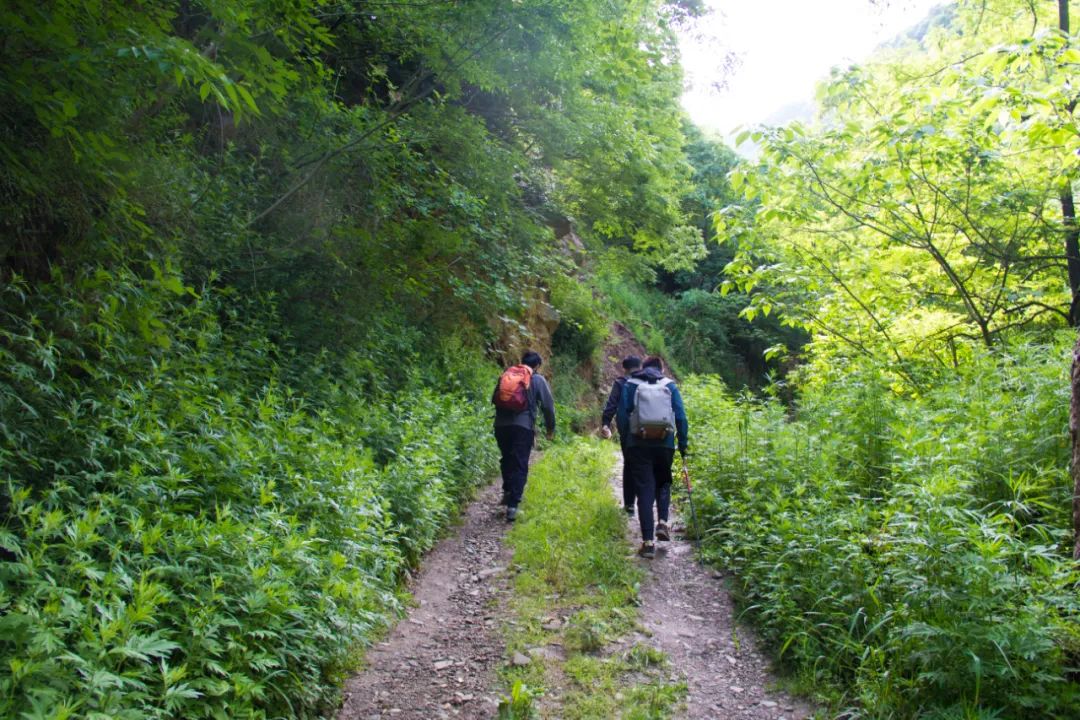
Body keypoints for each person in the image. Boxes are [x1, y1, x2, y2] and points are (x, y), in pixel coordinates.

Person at [616, 356, 688, 559]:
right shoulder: (669, 385)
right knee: (663, 483)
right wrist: (682, 445)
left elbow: (622, 416)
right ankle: (663, 522)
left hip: (638, 445)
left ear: (643, 368)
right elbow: (681, 417)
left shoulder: (631, 384)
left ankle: (648, 543)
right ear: (661, 369)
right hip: (665, 444)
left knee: (644, 489)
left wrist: (627, 441)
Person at [492, 351, 556, 522]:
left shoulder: (507, 375)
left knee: (507, 458)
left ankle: (507, 491)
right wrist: (550, 428)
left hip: (501, 425)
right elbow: (548, 407)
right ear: (537, 365)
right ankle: (513, 506)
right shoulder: (537, 379)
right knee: (520, 463)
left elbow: (496, 398)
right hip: (523, 426)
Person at [599, 355, 642, 516]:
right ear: (640, 367)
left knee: (629, 465)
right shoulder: (648, 381)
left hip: (628, 431)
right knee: (644, 465)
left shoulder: (621, 382)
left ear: (624, 368)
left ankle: (629, 505)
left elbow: (612, 404)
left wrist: (606, 423)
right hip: (649, 430)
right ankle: (646, 503)